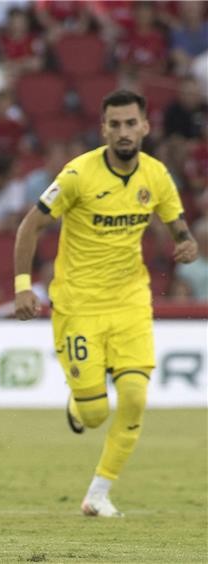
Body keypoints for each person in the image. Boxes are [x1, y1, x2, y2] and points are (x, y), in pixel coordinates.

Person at [14, 90, 198, 517]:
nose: (123, 132)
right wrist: (24, 285)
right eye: (114, 124)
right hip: (78, 306)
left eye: (130, 123)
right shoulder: (78, 174)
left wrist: (186, 244)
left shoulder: (156, 175)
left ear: (145, 126)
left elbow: (178, 225)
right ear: (103, 129)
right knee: (95, 413)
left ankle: (98, 493)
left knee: (134, 398)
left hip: (131, 302)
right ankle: (79, 405)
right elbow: (30, 224)